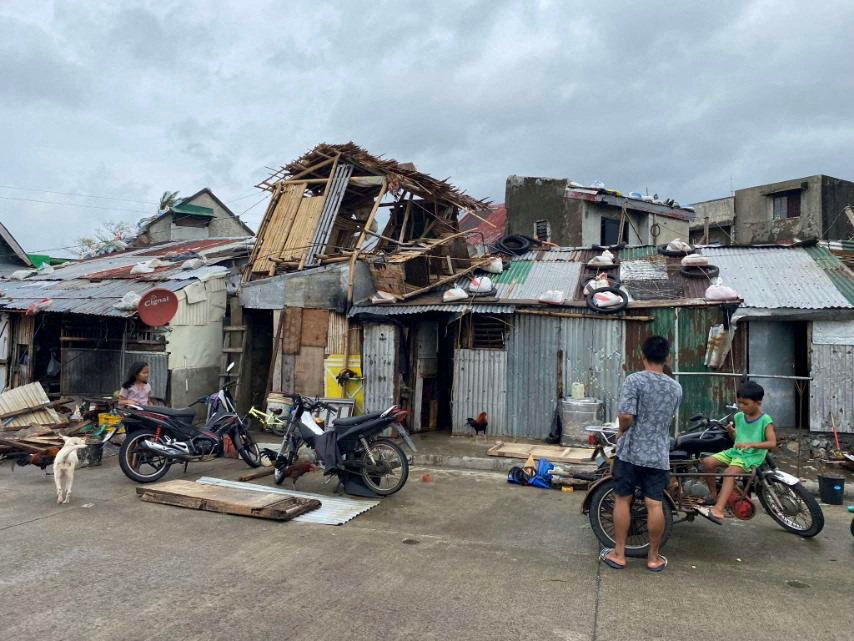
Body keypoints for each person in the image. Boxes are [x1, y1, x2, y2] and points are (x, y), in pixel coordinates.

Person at [599, 335, 682, 573]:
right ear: (667, 358)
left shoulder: (634, 380)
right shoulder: (675, 387)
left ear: (642, 356)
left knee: (623, 499)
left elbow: (626, 415)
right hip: (658, 453)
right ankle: (654, 558)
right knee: (655, 504)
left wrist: (622, 432)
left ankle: (619, 554)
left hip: (632, 451)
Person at [699, 381, 776, 524]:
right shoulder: (739, 417)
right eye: (739, 403)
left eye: (745, 403)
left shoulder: (765, 420)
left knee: (729, 473)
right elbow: (739, 439)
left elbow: (772, 443)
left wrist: (751, 444)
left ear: (758, 403)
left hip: (752, 456)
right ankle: (714, 495)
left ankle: (719, 509)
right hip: (736, 452)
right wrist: (732, 433)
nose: (741, 406)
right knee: (707, 462)